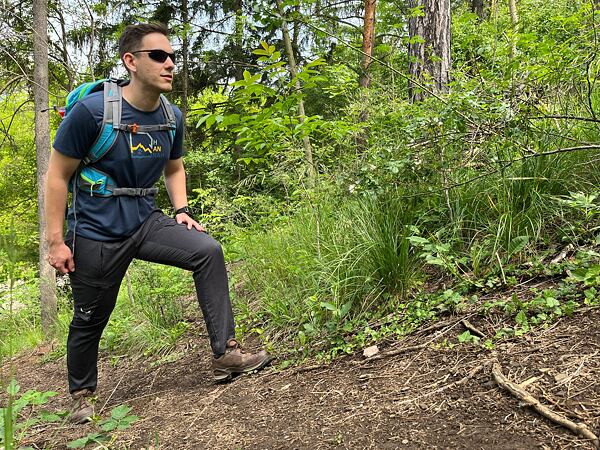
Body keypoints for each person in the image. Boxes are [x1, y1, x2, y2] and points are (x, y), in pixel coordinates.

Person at [45, 23, 272, 424]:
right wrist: (55, 241)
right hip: (96, 231)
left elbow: (174, 167)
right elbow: (57, 176)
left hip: (145, 221)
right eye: (158, 56)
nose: (170, 64)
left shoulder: (171, 116)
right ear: (131, 62)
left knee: (207, 251)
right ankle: (81, 394)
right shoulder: (92, 112)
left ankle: (226, 355)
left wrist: (182, 209)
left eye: (172, 56)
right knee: (90, 317)